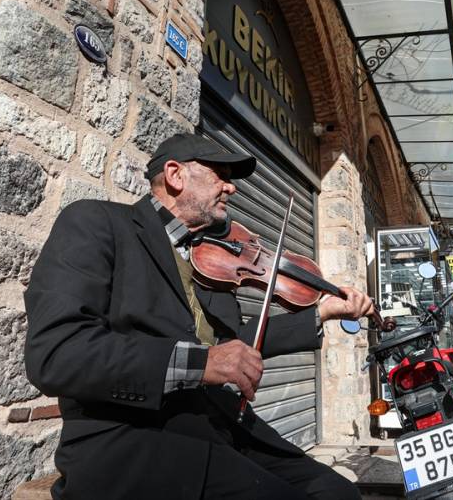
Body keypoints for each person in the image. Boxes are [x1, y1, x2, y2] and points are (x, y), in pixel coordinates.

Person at [24, 133, 377, 500]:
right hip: (136, 436)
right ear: (175, 175)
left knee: (338, 492)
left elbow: (233, 344)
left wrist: (321, 312)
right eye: (220, 175)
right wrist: (200, 363)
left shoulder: (208, 258)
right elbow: (56, 354)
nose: (231, 188)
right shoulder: (97, 223)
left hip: (219, 425)